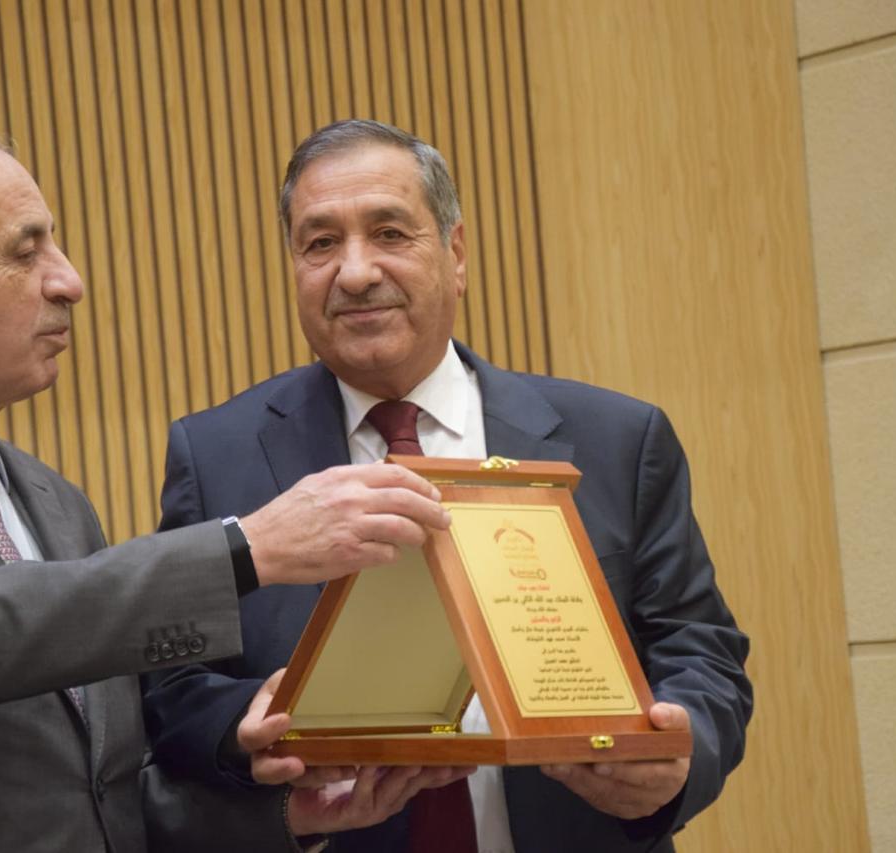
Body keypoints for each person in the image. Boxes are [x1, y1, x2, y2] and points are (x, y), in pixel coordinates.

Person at [0, 119, 451, 853]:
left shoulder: (53, 501)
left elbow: (100, 797)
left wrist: (287, 817)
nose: (70, 281)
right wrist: (246, 547)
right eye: (25, 251)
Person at [143, 119, 753, 852]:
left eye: (390, 233)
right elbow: (172, 687)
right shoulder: (215, 455)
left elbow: (700, 648)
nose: (356, 272)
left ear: (455, 253)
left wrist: (678, 755)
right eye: (321, 243)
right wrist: (247, 722)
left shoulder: (617, 440)